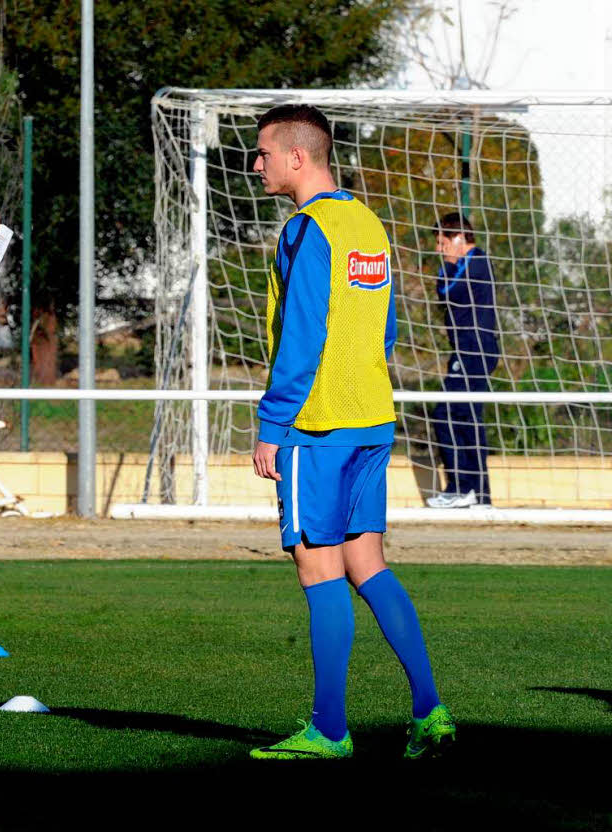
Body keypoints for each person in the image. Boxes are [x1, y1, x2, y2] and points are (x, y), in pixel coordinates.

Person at [249, 104, 454, 760]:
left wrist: (272, 424)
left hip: (319, 424)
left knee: (318, 565)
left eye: (263, 154)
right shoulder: (368, 223)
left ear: (297, 157)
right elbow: (385, 329)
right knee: (368, 561)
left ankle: (330, 729)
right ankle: (430, 712)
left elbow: (303, 334)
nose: (256, 165)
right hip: (373, 418)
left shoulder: (306, 229)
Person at [426, 212, 500, 508]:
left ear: (459, 238)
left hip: (476, 350)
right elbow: (443, 291)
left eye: (442, 242)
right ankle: (477, 494)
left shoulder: (477, 262)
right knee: (462, 416)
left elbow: (447, 289)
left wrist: (447, 268)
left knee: (448, 414)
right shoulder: (459, 266)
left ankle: (463, 488)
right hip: (465, 351)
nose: (438, 249)